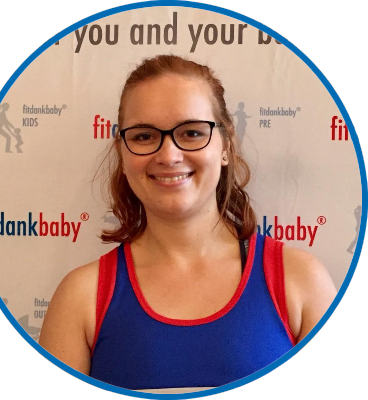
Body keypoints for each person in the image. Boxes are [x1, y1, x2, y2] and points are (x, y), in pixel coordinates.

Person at [39, 55, 337, 392]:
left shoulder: (300, 280)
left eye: (192, 132)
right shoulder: (81, 296)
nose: (168, 156)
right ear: (122, 152)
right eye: (144, 136)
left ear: (226, 146)